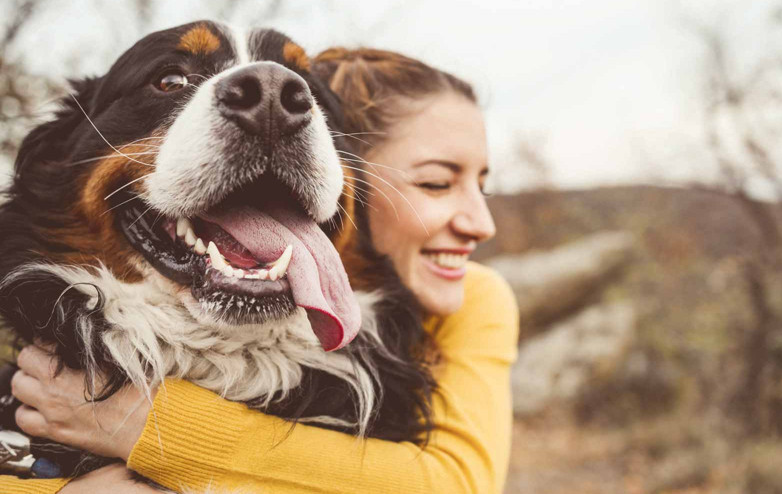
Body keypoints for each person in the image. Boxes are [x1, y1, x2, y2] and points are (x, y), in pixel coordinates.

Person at [1, 48, 518, 494]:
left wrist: (145, 425)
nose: (482, 224)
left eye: (483, 186)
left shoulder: (476, 297)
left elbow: (455, 482)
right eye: (435, 184)